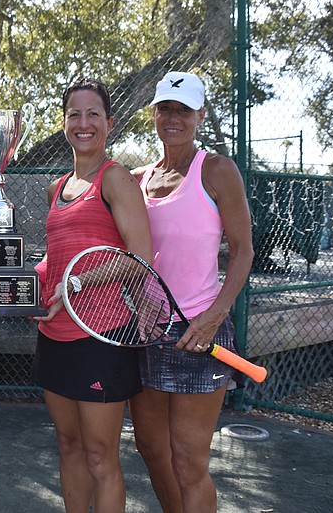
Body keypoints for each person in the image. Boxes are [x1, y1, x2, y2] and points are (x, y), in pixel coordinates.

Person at [128, 71, 254, 513]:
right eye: (165, 108)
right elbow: (129, 255)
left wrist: (215, 317)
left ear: (200, 115)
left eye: (183, 109)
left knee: (188, 462)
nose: (173, 118)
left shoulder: (217, 170)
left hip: (201, 336)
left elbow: (242, 252)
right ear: (155, 115)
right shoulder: (137, 178)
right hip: (145, 334)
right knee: (150, 448)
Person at [31, 77, 153, 513]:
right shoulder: (56, 187)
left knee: (101, 457)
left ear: (109, 123)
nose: (83, 123)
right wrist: (29, 288)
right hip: (55, 335)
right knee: (68, 445)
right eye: (74, 115)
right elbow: (57, 258)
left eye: (93, 114)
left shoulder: (116, 178)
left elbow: (140, 258)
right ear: (65, 123)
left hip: (101, 336)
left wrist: (78, 282)